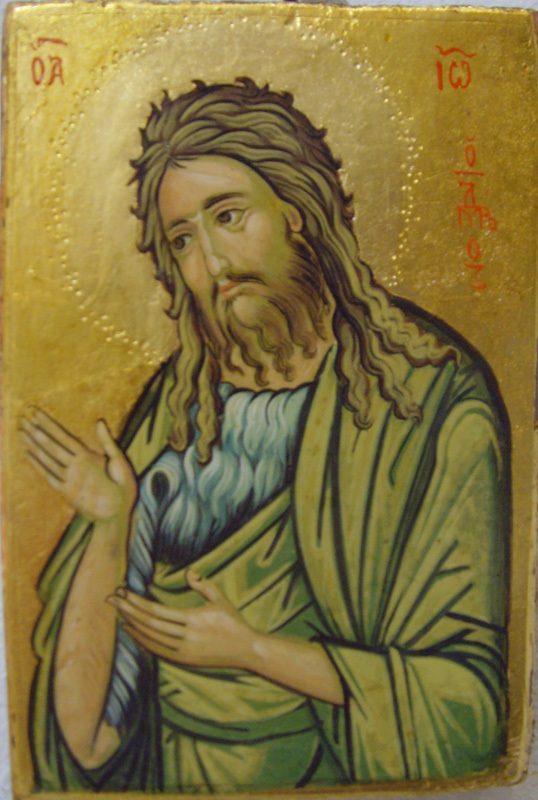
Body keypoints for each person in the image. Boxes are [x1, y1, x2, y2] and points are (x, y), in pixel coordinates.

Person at [26, 79, 510, 793]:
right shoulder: (179, 404)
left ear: (296, 211)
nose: (213, 263)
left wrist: (254, 651)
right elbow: (85, 739)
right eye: (183, 241)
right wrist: (110, 524)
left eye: (229, 216)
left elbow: (467, 714)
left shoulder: (429, 401)